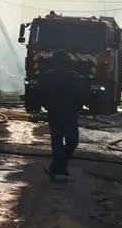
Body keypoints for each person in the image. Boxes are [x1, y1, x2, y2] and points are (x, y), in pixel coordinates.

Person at [29, 50, 89, 180]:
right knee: (71, 141)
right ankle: (60, 168)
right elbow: (82, 94)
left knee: (59, 141)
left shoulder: (50, 77)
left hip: (60, 113)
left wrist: (40, 108)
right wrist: (79, 107)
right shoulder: (71, 77)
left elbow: (38, 94)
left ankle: (56, 167)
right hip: (64, 113)